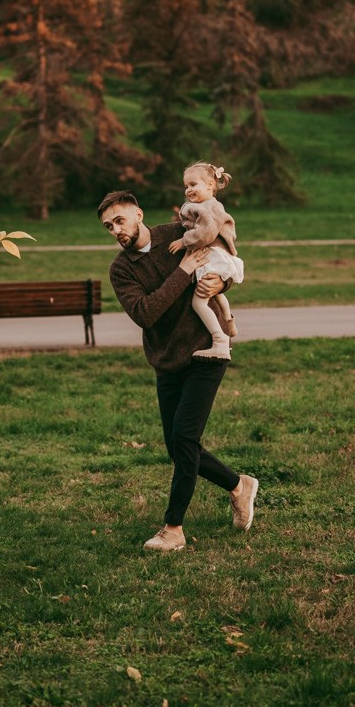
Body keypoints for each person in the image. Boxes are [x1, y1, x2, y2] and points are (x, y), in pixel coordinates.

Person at [98, 189, 258, 552]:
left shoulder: (179, 233)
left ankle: (173, 528)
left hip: (206, 351)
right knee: (177, 447)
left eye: (120, 220)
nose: (116, 230)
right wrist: (183, 271)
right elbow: (145, 313)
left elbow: (223, 256)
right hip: (166, 360)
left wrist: (222, 282)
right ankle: (239, 485)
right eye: (109, 226)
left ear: (138, 215)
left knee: (185, 439)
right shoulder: (121, 269)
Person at [168, 161, 244, 361]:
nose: (188, 190)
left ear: (210, 185)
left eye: (193, 184)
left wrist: (184, 241)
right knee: (216, 293)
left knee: (198, 302)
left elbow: (205, 233)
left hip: (212, 256)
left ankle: (220, 340)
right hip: (216, 256)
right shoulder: (208, 206)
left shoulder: (208, 207)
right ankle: (229, 323)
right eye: (186, 186)